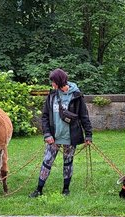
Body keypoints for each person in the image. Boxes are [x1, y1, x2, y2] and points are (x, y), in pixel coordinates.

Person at [29, 68, 93, 198]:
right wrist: (47, 134)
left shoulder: (77, 95)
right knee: (47, 161)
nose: (52, 84)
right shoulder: (52, 95)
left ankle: (65, 189)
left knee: (68, 162)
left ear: (59, 81)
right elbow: (45, 116)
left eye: (53, 81)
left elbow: (84, 116)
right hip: (54, 137)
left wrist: (88, 135)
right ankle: (39, 189)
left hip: (70, 137)